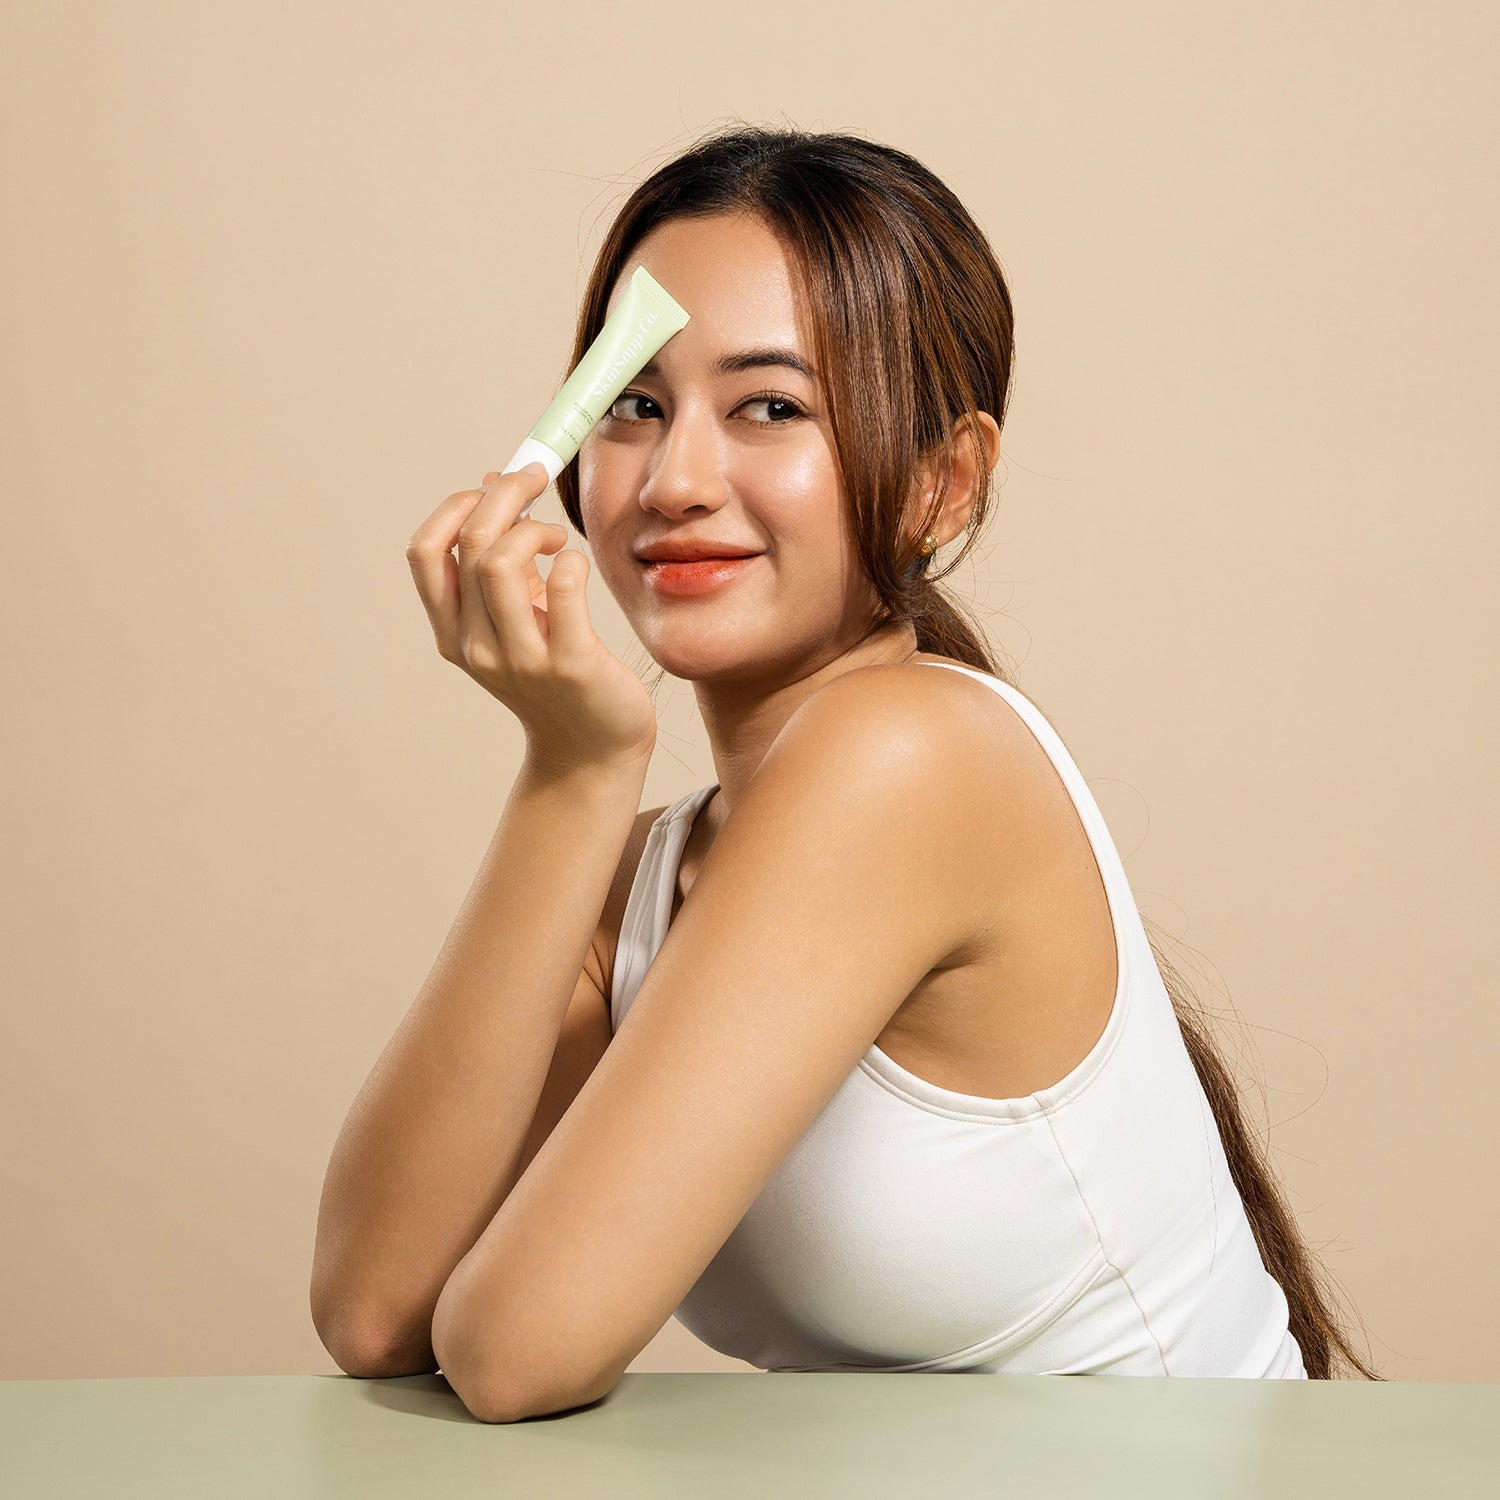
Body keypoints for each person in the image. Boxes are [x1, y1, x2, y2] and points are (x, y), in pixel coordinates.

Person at [311, 124, 1378, 1423]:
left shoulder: (911, 754)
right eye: (634, 405)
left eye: (771, 407)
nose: (677, 479)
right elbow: (378, 1308)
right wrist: (572, 769)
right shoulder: (658, 868)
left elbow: (514, 1351)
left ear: (943, 481)